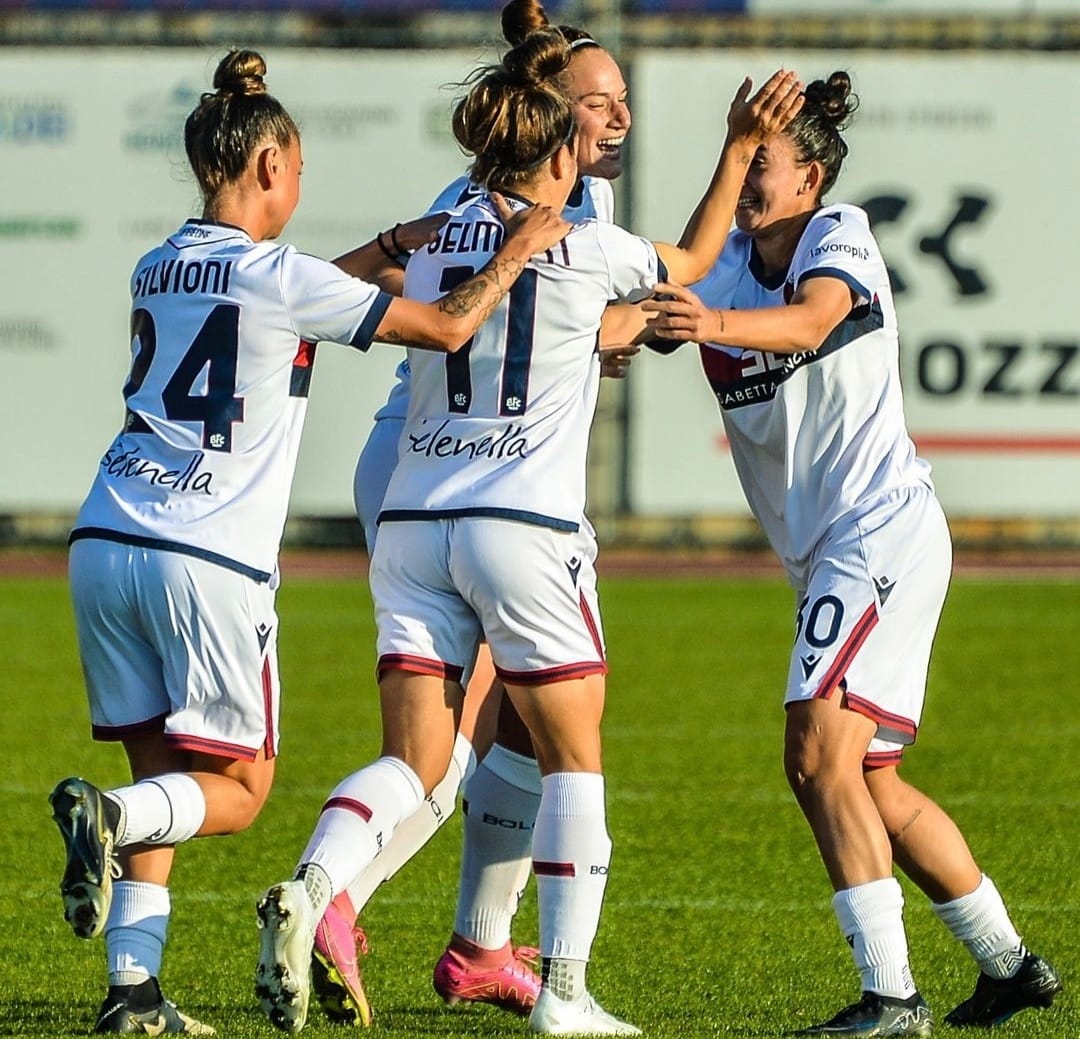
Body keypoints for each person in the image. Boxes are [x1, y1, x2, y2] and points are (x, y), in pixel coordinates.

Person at [254, 30, 803, 1038]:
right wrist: (734, 150)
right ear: (558, 144)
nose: (610, 124)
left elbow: (367, 306)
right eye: (592, 111)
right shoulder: (585, 239)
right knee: (573, 755)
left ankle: (319, 883)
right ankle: (564, 990)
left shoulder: (436, 239)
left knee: (420, 755)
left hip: (417, 520)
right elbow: (689, 262)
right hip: (520, 521)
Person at [47, 47, 569, 1037]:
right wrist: (518, 251)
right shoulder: (281, 274)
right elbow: (445, 328)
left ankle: (132, 992)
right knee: (237, 792)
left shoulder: (157, 266)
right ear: (272, 168)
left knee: (171, 778)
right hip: (207, 555)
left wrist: (383, 245)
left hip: (106, 531)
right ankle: (110, 825)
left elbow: (274, 300)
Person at [640, 70, 1063, 1036]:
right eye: (744, 158)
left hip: (879, 530)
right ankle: (1010, 963)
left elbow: (814, 319)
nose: (750, 178)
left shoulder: (841, 235)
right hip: (840, 547)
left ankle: (891, 996)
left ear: (813, 176)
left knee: (814, 751)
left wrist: (706, 322)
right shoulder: (726, 259)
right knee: (870, 777)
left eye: (766, 162)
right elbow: (644, 311)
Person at [322, 0, 634, 1024]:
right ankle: (337, 899)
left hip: (426, 480)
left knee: (500, 728)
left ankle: (480, 944)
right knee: (467, 743)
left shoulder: (480, 203)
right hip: (463, 478)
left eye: (625, 102)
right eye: (596, 105)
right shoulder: (547, 222)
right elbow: (658, 273)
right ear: (548, 120)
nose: (615, 121)